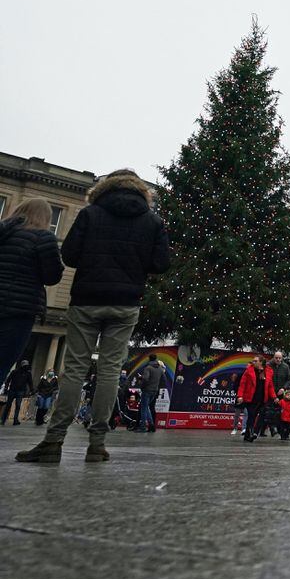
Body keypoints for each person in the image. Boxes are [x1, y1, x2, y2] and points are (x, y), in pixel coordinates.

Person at [17, 170, 170, 464]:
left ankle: (53, 440)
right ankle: (97, 444)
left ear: (106, 188)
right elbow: (161, 263)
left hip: (86, 299)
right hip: (125, 303)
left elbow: (71, 256)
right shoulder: (152, 220)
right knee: (110, 372)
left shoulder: (91, 213)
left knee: (74, 369)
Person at [0, 198, 65, 384]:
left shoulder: (3, 232)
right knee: (3, 362)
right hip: (19, 311)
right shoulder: (44, 238)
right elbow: (52, 277)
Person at [236, 356, 275, 443]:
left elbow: (270, 386)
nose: (253, 362)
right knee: (251, 416)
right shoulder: (249, 371)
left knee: (261, 416)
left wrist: (274, 397)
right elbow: (242, 384)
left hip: (262, 398)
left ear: (261, 362)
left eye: (255, 361)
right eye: (253, 361)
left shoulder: (268, 371)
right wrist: (240, 396)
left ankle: (252, 434)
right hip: (251, 398)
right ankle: (250, 434)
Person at [136, 354, 165, 432]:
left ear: (149, 359)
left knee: (143, 408)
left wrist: (141, 379)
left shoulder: (148, 368)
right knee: (146, 407)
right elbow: (163, 379)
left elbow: (145, 379)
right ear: (156, 359)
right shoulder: (160, 369)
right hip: (154, 391)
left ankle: (143, 427)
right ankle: (151, 425)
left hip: (147, 390)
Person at [2, 360, 34, 424]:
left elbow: (30, 382)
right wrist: (6, 388)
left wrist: (32, 390)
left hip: (20, 391)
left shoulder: (28, 373)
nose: (25, 367)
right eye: (24, 365)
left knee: (18, 405)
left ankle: (15, 420)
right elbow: (8, 380)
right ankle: (3, 419)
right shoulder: (15, 371)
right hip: (12, 390)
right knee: (8, 405)